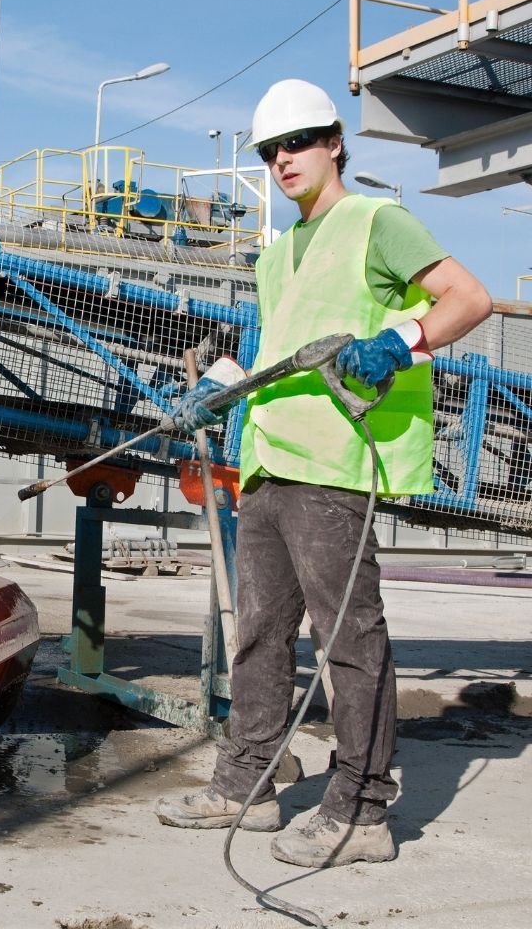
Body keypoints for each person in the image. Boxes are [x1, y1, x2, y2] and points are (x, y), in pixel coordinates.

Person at [155, 79, 492, 867]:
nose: (281, 161)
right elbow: (282, 347)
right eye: (270, 152)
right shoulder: (279, 255)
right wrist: (220, 386)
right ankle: (248, 784)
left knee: (348, 641)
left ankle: (363, 813)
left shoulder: (377, 221)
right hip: (270, 459)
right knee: (261, 636)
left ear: (334, 142)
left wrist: (403, 341)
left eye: (296, 143)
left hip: (339, 464)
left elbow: (467, 298)